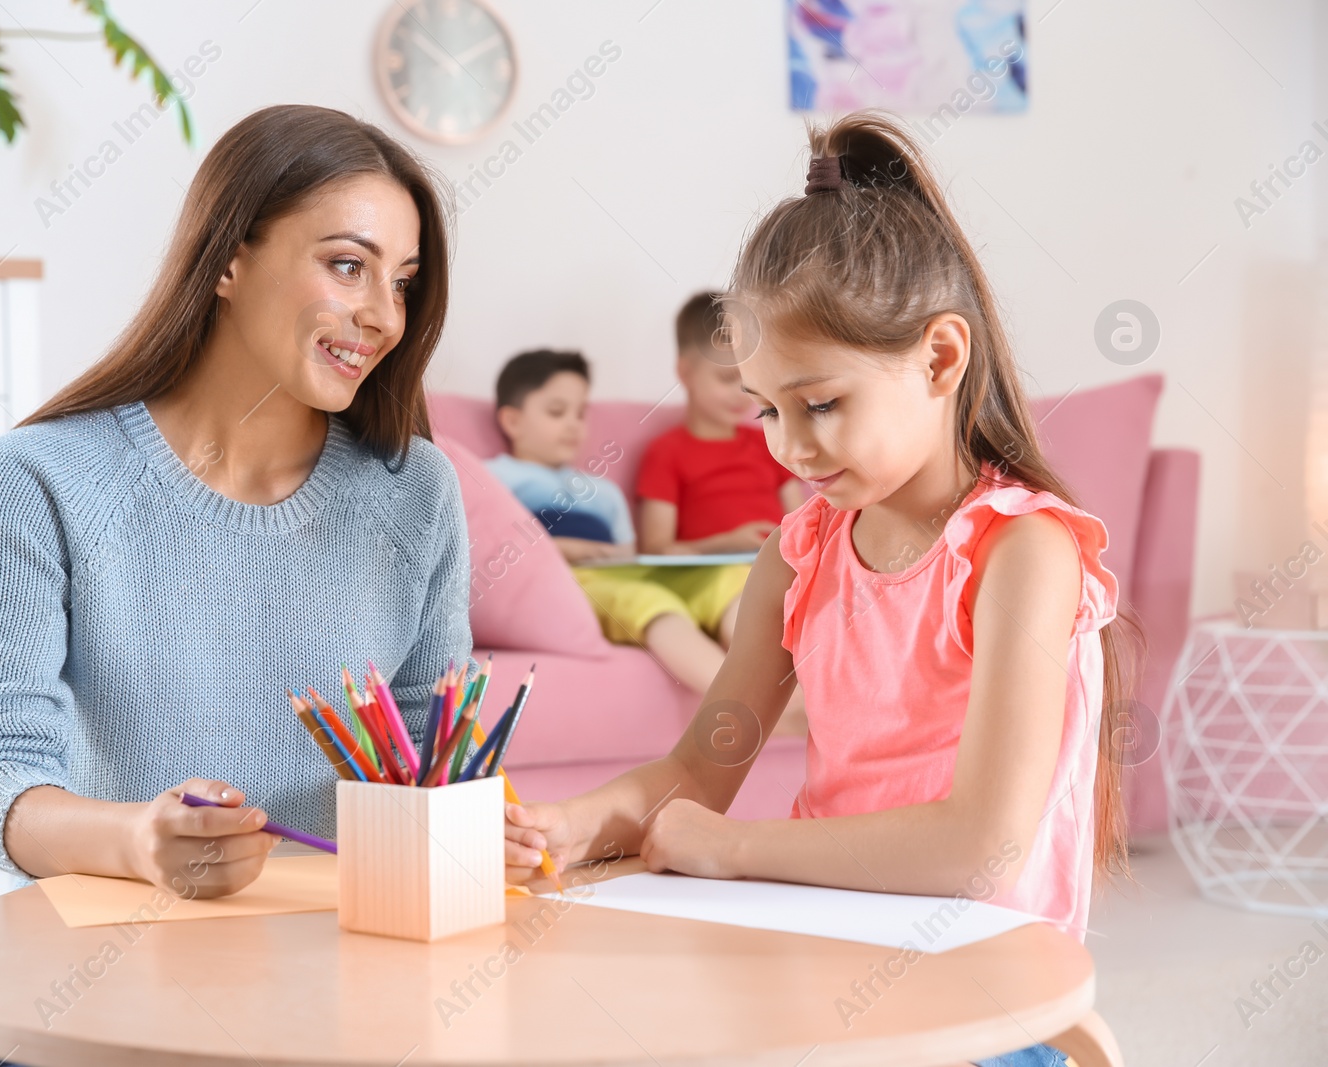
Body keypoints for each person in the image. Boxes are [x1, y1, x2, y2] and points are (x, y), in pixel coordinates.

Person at [503, 111, 1138, 1067]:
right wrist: (572, 822)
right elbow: (694, 773)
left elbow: (981, 849)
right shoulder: (798, 557)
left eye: (823, 404)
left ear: (939, 358)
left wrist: (733, 847)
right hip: (822, 963)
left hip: (979, 1003)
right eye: (766, 409)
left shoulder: (1023, 552)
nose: (790, 448)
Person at [0, 105, 470, 906]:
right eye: (349, 266)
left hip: (339, 957)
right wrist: (136, 842)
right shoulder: (38, 478)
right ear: (228, 260)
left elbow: (436, 754)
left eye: (402, 283)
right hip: (107, 957)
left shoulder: (417, 490)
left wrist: (471, 818)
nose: (385, 316)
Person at [485, 350, 746, 693]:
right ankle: (739, 702)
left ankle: (783, 687)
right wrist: (564, 549)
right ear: (512, 421)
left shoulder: (604, 491)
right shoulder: (493, 478)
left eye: (580, 414)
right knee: (645, 600)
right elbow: (493, 550)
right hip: (576, 579)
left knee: (733, 579)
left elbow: (627, 553)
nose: (573, 424)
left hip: (620, 570)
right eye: (556, 412)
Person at [636, 290, 804, 557]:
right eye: (726, 379)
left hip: (776, 572)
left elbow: (801, 527)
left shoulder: (769, 442)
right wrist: (726, 544)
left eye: (748, 380)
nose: (741, 394)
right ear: (686, 372)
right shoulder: (666, 453)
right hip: (713, 579)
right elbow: (656, 550)